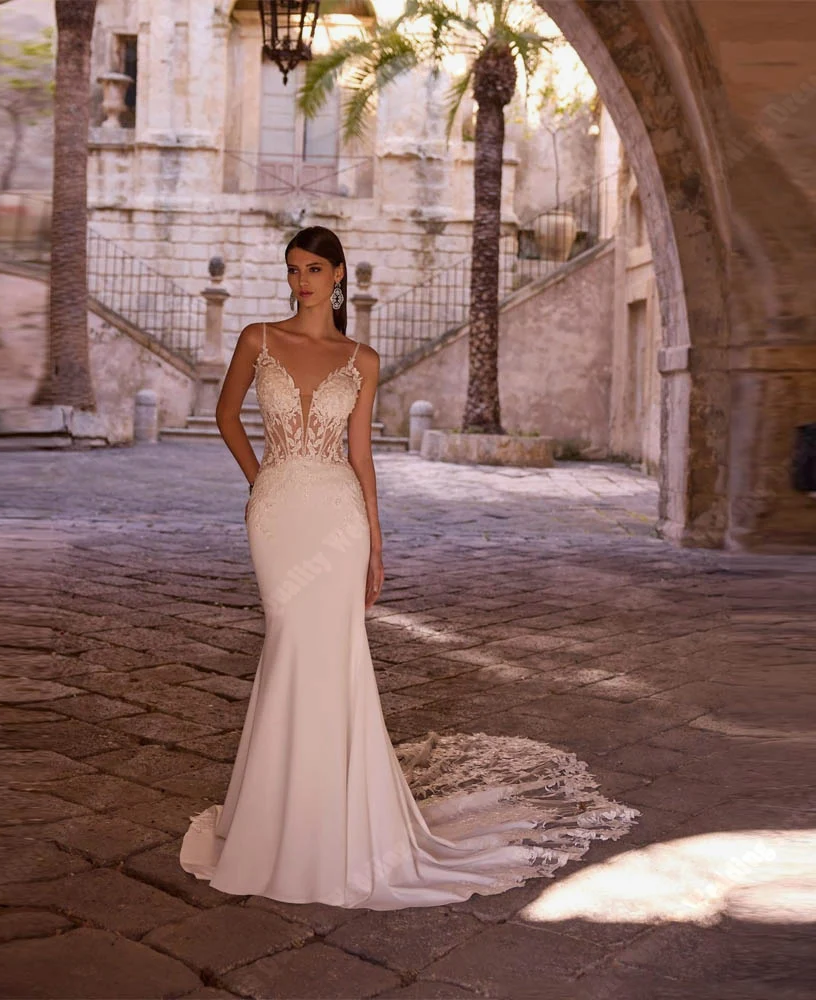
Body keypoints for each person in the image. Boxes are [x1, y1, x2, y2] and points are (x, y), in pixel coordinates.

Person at [179, 226, 640, 909]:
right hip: (278, 512)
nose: (300, 281)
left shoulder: (360, 359)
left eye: (312, 269)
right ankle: (278, 818)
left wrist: (376, 542)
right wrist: (260, 481)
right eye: (292, 269)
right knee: (287, 642)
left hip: (338, 517)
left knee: (331, 655)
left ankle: (335, 826)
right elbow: (225, 417)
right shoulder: (258, 338)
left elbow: (361, 457)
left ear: (338, 276)